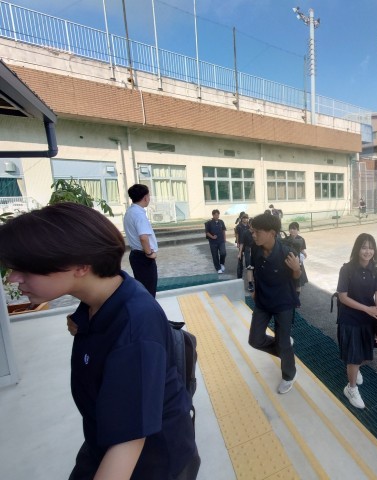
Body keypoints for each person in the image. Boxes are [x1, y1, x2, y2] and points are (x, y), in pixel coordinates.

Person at [0, 203, 200, 479]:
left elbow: (128, 442)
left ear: (81, 265)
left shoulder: (135, 328)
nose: (13, 278)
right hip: (101, 437)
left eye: (25, 268)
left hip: (150, 464)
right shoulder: (102, 299)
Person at [247, 213, 301, 394]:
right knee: (255, 340)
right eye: (252, 231)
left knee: (283, 342)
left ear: (271, 233)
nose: (253, 235)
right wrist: (252, 288)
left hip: (283, 303)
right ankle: (286, 351)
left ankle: (289, 375)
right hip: (262, 301)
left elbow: (297, 278)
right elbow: (253, 269)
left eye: (257, 231)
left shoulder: (287, 253)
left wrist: (296, 269)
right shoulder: (256, 249)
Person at [336, 233, 377, 409]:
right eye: (364, 247)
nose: (367, 251)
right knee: (354, 357)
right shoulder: (347, 269)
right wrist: (366, 309)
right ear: (357, 249)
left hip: (368, 318)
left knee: (364, 355)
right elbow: (343, 297)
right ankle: (351, 388)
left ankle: (354, 369)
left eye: (371, 248)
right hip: (350, 318)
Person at [123, 183, 158, 297]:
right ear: (145, 198)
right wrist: (149, 253)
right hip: (143, 257)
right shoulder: (139, 215)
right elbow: (143, 237)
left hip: (136, 255)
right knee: (149, 291)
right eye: (149, 196)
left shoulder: (130, 212)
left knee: (142, 290)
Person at [283, 221, 308, 307]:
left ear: (298, 230)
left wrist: (304, 254)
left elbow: (302, 249)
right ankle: (289, 299)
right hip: (288, 263)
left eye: (294, 229)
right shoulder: (286, 239)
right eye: (290, 229)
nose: (292, 230)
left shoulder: (301, 239)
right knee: (289, 282)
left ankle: (296, 301)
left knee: (298, 283)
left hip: (298, 264)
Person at [205, 209, 227, 274]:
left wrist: (224, 238)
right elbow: (207, 232)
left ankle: (222, 263)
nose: (217, 216)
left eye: (218, 215)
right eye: (215, 215)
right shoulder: (209, 223)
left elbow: (223, 230)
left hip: (221, 241)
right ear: (213, 215)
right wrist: (212, 237)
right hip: (213, 242)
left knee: (223, 252)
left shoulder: (221, 222)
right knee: (215, 255)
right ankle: (218, 268)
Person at [235, 213, 251, 281]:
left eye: (246, 218)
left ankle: (249, 272)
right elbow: (237, 235)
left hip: (247, 244)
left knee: (248, 259)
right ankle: (239, 275)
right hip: (241, 243)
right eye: (244, 218)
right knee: (240, 259)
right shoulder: (239, 226)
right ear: (242, 219)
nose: (245, 219)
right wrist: (237, 242)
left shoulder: (249, 226)